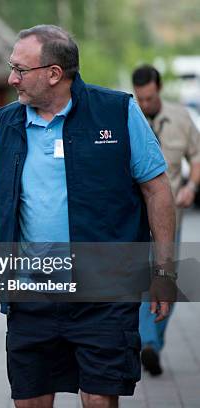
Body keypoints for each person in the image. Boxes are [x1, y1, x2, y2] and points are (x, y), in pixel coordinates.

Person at [0, 25, 176, 407]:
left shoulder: (117, 112)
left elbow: (157, 189)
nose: (10, 77)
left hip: (104, 292)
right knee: (30, 400)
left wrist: (163, 273)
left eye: (20, 69)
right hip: (31, 292)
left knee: (99, 399)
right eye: (11, 67)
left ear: (54, 73)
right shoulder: (5, 124)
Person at [132, 64, 200, 376]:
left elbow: (196, 158)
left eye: (149, 98)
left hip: (169, 214)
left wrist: (192, 186)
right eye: (140, 99)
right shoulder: (128, 118)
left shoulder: (182, 118)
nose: (145, 104)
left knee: (166, 276)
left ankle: (150, 343)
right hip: (134, 215)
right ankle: (148, 342)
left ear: (158, 90)